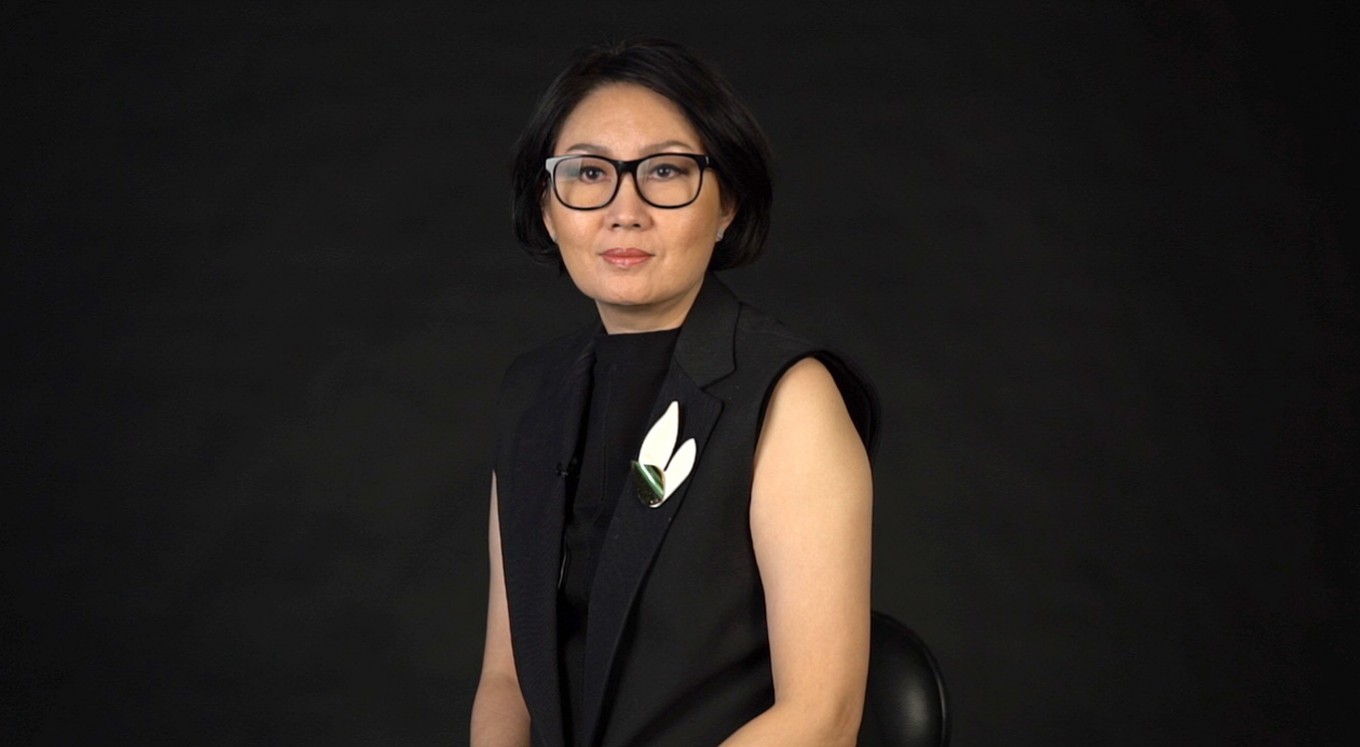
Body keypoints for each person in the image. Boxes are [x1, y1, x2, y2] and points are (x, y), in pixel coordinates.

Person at [471, 38, 877, 747]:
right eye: (589, 172)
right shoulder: (530, 394)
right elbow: (507, 680)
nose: (624, 210)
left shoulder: (791, 396)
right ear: (548, 208)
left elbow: (823, 717)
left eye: (665, 170)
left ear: (727, 205)